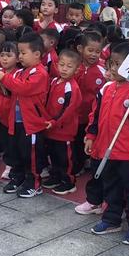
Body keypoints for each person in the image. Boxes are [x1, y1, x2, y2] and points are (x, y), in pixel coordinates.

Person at [86, 42, 129, 245]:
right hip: (107, 149)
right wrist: (91, 136)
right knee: (111, 187)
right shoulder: (106, 88)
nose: (113, 69)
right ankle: (111, 219)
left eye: (119, 64)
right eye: (111, 63)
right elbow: (95, 115)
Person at [0, 32, 49, 198]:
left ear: (37, 54)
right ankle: (17, 177)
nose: (20, 57)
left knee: (30, 155)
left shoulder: (40, 73)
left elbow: (24, 88)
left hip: (31, 123)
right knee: (15, 152)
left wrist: (5, 79)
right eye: (20, 53)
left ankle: (34, 182)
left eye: (23, 53)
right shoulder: (19, 73)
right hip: (16, 122)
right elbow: (9, 93)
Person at [43, 49, 82, 195]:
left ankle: (68, 182)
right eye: (62, 65)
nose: (64, 69)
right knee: (53, 155)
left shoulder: (72, 87)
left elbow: (68, 110)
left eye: (69, 66)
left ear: (77, 69)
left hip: (64, 130)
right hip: (51, 128)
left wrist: (54, 122)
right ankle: (56, 176)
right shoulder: (54, 81)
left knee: (65, 157)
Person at [74, 31, 106, 180]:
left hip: (92, 116)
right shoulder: (74, 66)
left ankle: (86, 161)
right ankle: (78, 164)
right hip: (74, 114)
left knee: (88, 139)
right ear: (81, 49)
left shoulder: (103, 71)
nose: (94, 54)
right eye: (90, 50)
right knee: (76, 140)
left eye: (97, 51)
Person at [0, 41, 19, 180]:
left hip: (13, 115)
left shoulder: (18, 74)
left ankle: (11, 165)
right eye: (2, 55)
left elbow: (11, 93)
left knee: (13, 143)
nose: (4, 58)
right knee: (4, 141)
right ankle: (8, 163)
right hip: (1, 114)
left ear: (18, 58)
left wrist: (3, 83)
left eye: (9, 55)